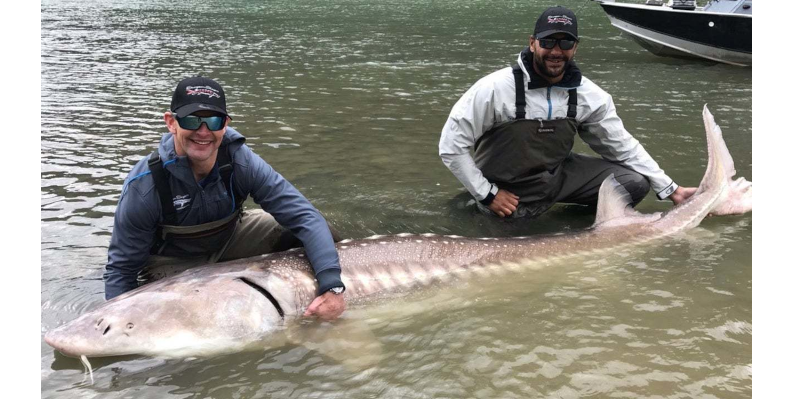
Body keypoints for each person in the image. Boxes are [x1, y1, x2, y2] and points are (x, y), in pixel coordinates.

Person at [103, 76, 345, 320]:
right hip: (172, 261)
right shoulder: (145, 184)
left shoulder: (239, 159)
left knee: (316, 229)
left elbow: (304, 216)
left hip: (229, 239)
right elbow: (122, 269)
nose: (203, 131)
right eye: (192, 120)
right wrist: (113, 320)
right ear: (171, 122)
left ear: (225, 124)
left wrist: (332, 284)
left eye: (213, 120)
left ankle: (325, 298)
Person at [438, 6, 696, 218]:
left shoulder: (590, 95)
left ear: (575, 47)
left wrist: (671, 189)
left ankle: (574, 230)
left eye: (565, 42)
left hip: (555, 180)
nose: (556, 51)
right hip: (506, 193)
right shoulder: (494, 89)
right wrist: (488, 194)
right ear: (532, 43)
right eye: (548, 41)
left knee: (633, 183)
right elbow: (451, 146)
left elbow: (621, 145)